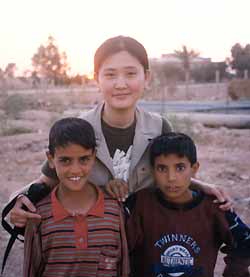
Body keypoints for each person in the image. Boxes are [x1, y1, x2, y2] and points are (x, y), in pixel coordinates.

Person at [8, 35, 231, 229]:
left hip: (145, 242)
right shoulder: (77, 129)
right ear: (96, 78)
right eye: (111, 74)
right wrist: (16, 201)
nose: (121, 84)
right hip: (95, 242)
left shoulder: (159, 128)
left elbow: (170, 177)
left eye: (131, 74)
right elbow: (47, 181)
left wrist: (203, 186)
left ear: (147, 78)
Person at [125, 132, 250, 277]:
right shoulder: (139, 205)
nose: (171, 177)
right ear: (152, 170)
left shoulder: (214, 207)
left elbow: (245, 241)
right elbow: (118, 250)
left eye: (180, 167)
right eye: (162, 168)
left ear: (194, 169)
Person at [23, 117, 130, 277]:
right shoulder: (38, 215)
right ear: (51, 159)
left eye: (83, 159)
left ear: (94, 157)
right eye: (65, 160)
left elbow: (122, 273)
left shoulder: (113, 209)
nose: (75, 170)